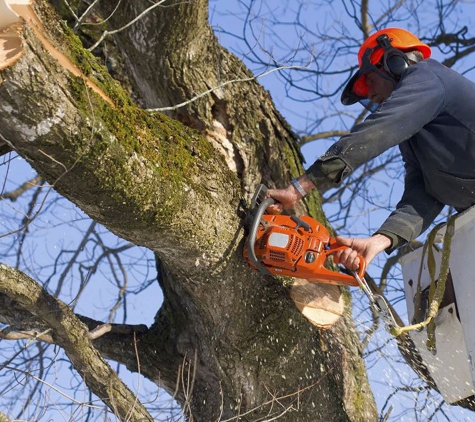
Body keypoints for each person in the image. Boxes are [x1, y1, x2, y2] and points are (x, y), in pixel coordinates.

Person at [267, 27, 475, 271]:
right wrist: (379, 240)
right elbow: (423, 194)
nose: (372, 95)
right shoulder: (415, 135)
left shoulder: (429, 77)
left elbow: (376, 132)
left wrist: (299, 187)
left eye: (371, 81)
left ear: (394, 62)